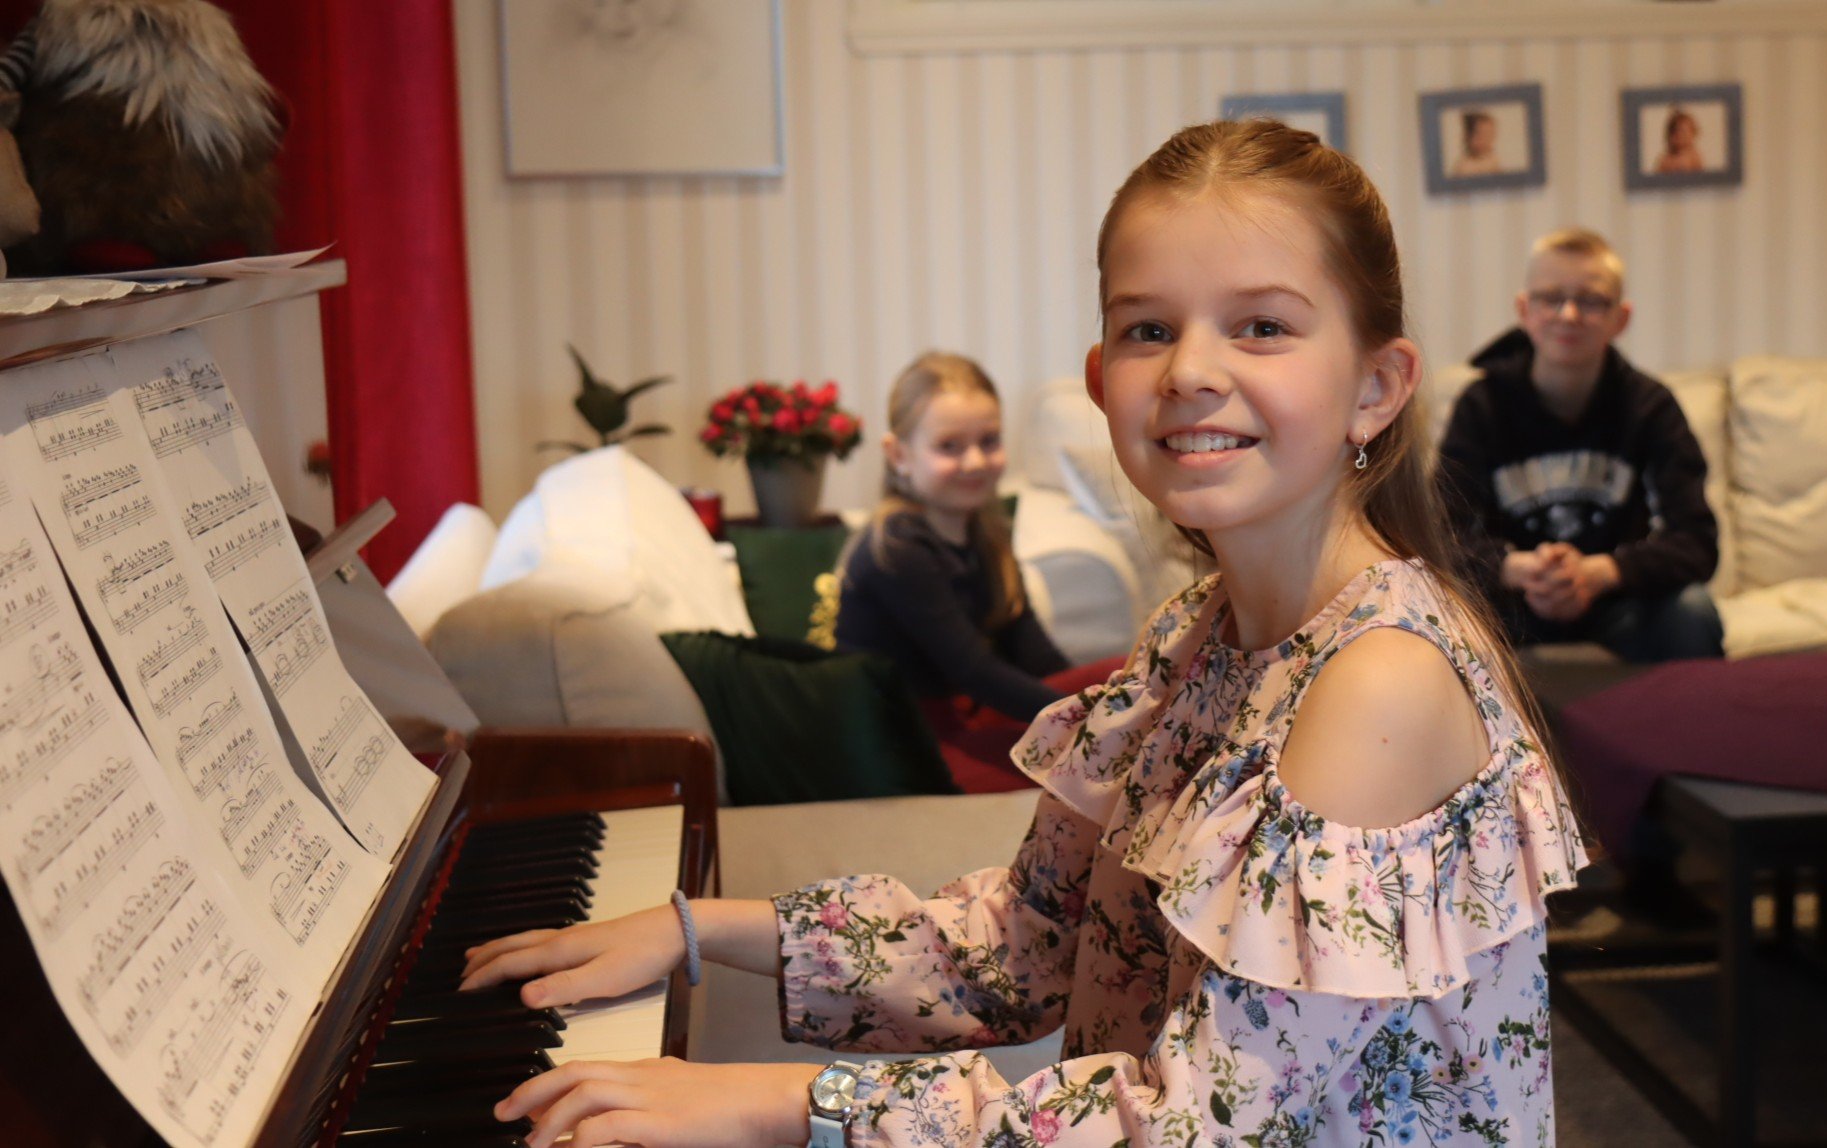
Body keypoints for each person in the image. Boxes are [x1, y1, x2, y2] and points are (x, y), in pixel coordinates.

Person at [459, 119, 1587, 1148]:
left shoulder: (1380, 681)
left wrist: (782, 1102)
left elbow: (1194, 1124)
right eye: (1149, 329)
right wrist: (697, 929)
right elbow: (1026, 945)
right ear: (1102, 379)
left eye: (1261, 326)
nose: (1191, 371)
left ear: (1377, 386)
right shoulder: (1193, 638)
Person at [1439, 227, 1724, 662]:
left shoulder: (1651, 407)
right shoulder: (1481, 405)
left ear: (1620, 319)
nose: (1569, 314)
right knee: (1437, 617)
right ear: (1524, 309)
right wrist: (1517, 569)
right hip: (1510, 603)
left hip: (1616, 602)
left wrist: (1600, 572)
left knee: (1693, 612)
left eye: (1591, 301)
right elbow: (1439, 535)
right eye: (1551, 298)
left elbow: (1697, 541)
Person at [833, 351, 1070, 725]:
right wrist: (1082, 717)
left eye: (989, 441)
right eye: (949, 446)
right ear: (899, 455)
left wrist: (1096, 698)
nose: (975, 462)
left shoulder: (987, 534)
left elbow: (1036, 656)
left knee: (1124, 675)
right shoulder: (897, 548)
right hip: (900, 734)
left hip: (954, 718)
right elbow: (974, 671)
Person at [1448, 107, 1502, 177]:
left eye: (1490, 135)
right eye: (1481, 135)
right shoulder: (1463, 166)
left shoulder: (1493, 159)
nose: (1487, 141)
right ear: (1468, 137)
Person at [1654, 106, 1704, 173]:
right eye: (1675, 131)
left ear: (1693, 134)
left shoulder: (1694, 157)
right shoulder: (1665, 159)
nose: (1679, 135)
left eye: (1684, 132)